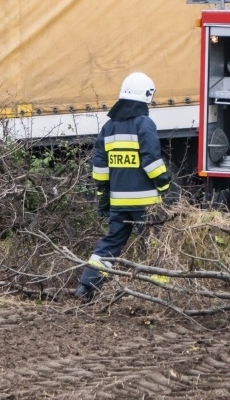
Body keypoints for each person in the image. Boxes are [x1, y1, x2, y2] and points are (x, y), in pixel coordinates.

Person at [75, 72, 172, 299]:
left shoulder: (109, 127)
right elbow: (151, 160)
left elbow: (100, 166)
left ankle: (87, 286)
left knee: (110, 244)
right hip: (146, 202)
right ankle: (161, 293)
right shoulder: (144, 123)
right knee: (156, 244)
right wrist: (165, 185)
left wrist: (103, 195)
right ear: (146, 96)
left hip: (119, 203)